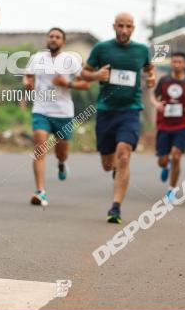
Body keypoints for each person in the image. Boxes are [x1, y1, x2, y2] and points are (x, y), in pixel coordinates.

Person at [80, 13, 156, 224]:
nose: (124, 30)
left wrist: (151, 78)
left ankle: (115, 208)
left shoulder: (141, 50)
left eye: (128, 26)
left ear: (133, 28)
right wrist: (96, 76)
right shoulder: (101, 49)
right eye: (120, 26)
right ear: (114, 26)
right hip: (106, 111)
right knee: (107, 164)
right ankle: (113, 169)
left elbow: (150, 69)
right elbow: (84, 74)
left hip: (130, 111)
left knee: (124, 154)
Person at [23, 28, 89, 206]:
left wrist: (67, 83)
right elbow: (27, 75)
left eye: (58, 37)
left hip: (63, 113)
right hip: (41, 110)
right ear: (47, 39)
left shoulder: (70, 60)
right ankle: (40, 192)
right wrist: (27, 82)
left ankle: (61, 162)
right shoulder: (37, 58)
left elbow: (85, 84)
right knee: (40, 147)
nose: (54, 39)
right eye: (51, 36)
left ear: (63, 42)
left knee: (62, 151)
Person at [149, 52, 185, 203]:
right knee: (162, 161)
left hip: (183, 124)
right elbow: (154, 96)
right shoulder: (164, 80)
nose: (177, 64)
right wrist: (156, 104)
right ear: (171, 63)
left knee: (177, 154)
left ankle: (171, 191)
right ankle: (166, 165)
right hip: (164, 125)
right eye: (174, 62)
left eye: (180, 62)